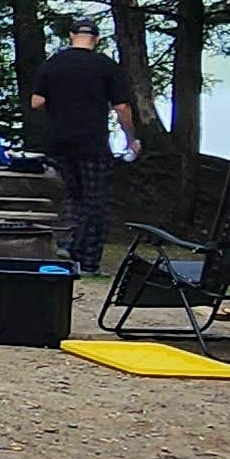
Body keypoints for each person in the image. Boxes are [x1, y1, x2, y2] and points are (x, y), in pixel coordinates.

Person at [27, 18, 138, 277]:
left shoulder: (53, 64)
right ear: (96, 39)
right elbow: (121, 107)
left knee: (72, 195)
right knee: (95, 201)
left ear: (71, 36)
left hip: (59, 141)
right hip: (92, 141)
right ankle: (88, 262)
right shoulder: (105, 66)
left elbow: (36, 101)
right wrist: (131, 137)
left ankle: (66, 245)